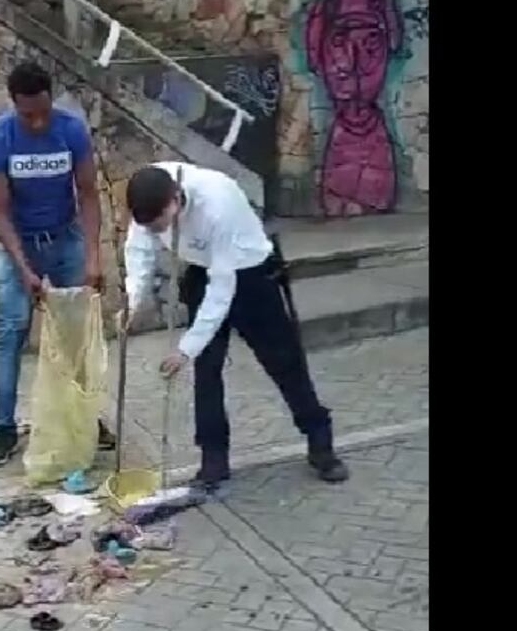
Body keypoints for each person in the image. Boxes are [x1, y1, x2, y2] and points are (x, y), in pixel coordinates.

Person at [120, 162, 349, 493]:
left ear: (175, 200)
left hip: (248, 272)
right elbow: (139, 249)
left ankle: (320, 442)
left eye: (161, 224)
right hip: (202, 270)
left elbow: (222, 290)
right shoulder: (147, 191)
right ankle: (213, 458)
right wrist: (133, 301)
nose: (158, 232)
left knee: (284, 363)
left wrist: (186, 348)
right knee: (207, 371)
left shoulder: (218, 202)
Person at [0, 61, 114, 468]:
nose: (37, 122)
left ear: (51, 99)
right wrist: (24, 269)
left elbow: (88, 194)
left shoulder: (71, 130)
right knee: (12, 334)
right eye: (28, 115)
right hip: (19, 245)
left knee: (76, 334)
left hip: (65, 240)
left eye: (43, 111)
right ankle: (4, 429)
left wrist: (92, 257)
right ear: (14, 104)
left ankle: (85, 419)